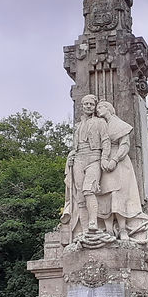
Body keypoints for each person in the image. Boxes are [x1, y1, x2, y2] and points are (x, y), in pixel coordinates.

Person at [95, 100, 148, 243]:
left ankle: (123, 229)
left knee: (118, 195)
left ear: (108, 108)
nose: (97, 110)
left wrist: (114, 160)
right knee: (104, 196)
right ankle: (108, 230)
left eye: (100, 107)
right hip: (103, 162)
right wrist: (102, 160)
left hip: (119, 162)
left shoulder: (120, 124)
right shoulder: (99, 125)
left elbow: (124, 145)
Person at [60, 94, 110, 238]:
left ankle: (93, 222)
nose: (88, 106)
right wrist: (71, 157)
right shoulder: (78, 126)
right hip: (79, 159)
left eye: (91, 104)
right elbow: (75, 147)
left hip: (94, 157)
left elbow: (106, 141)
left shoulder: (100, 122)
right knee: (80, 196)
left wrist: (104, 158)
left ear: (94, 107)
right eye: (86, 104)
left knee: (89, 190)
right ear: (82, 106)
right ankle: (83, 228)